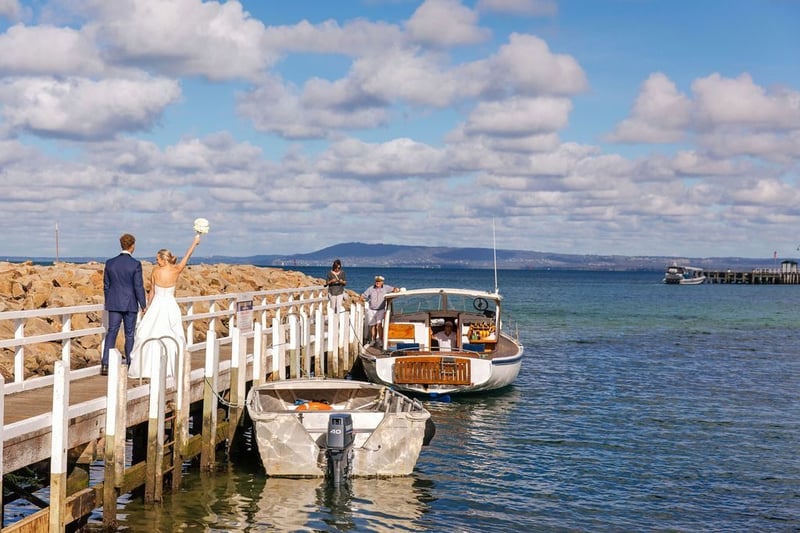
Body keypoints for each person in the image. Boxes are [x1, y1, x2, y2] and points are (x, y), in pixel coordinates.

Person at [128, 234, 201, 379]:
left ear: (163, 259)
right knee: (172, 333)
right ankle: (170, 367)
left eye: (157, 259)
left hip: (157, 305)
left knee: (148, 332)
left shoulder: (156, 271)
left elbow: (152, 291)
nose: (156, 261)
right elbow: (188, 255)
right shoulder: (176, 270)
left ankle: (146, 367)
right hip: (169, 304)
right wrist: (195, 242)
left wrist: (147, 307)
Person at [102, 233, 148, 376]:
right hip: (130, 303)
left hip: (114, 302)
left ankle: (105, 363)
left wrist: (108, 300)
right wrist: (143, 304)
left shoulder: (110, 263)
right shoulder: (135, 264)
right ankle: (129, 362)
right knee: (129, 334)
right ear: (132, 246)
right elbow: (138, 286)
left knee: (112, 332)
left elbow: (106, 285)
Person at [360, 275, 399, 344]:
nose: (377, 282)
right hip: (371, 310)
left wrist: (396, 291)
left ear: (382, 282)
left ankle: (380, 340)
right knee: (372, 326)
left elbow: (394, 289)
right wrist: (362, 298)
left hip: (380, 310)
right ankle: (373, 340)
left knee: (379, 325)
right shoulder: (371, 288)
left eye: (379, 281)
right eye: (376, 281)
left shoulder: (386, 288)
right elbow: (363, 295)